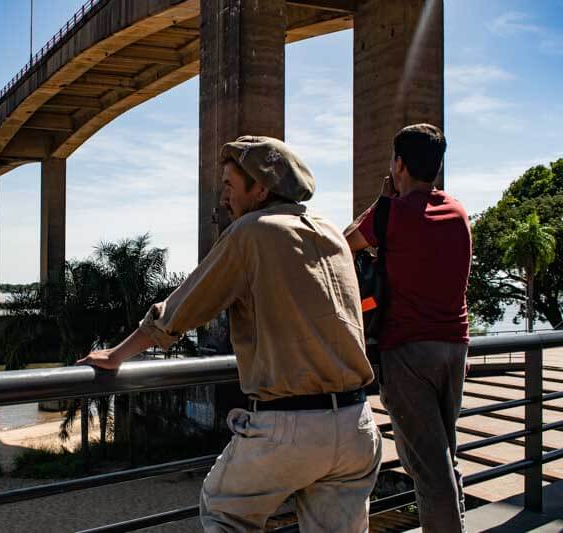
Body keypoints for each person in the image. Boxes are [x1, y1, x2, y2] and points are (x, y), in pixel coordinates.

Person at [78, 136, 382, 532]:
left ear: (260, 188)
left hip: (291, 426)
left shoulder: (250, 232)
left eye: (228, 185)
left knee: (224, 510)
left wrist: (116, 355)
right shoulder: (330, 234)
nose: (223, 197)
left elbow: (179, 310)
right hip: (356, 424)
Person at [345, 123, 471, 532]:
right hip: (454, 348)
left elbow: (344, 244)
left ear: (399, 164)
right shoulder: (458, 212)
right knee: (443, 458)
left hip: (407, 352)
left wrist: (381, 203)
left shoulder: (391, 214)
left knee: (428, 472)